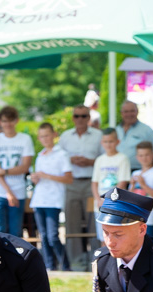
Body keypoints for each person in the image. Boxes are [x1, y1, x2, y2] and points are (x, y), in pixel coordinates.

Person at [60, 105, 103, 269]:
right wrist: (71, 161)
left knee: (94, 223)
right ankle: (76, 263)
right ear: (73, 118)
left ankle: (96, 261)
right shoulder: (65, 137)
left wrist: (89, 162)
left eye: (84, 116)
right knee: (72, 223)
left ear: (88, 118)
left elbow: (104, 158)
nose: (80, 119)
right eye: (77, 116)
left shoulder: (98, 135)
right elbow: (60, 159)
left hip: (92, 183)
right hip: (71, 183)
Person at [29, 123, 73, 271]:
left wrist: (47, 175)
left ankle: (65, 266)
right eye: (41, 136)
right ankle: (49, 267)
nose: (45, 139)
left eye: (47, 135)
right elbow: (39, 179)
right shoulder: (40, 155)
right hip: (39, 199)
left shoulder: (62, 154)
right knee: (44, 236)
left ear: (54, 135)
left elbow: (68, 178)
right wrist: (36, 178)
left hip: (54, 200)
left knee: (53, 235)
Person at [0, 106, 34, 237]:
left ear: (16, 121)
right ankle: (0, 258)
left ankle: (15, 258)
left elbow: (25, 167)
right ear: (0, 122)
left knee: (16, 231)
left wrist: (4, 171)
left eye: (10, 120)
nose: (7, 124)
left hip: (18, 190)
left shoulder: (25, 139)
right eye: (4, 121)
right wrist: (8, 192)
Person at [92, 128, 131, 243]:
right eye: (105, 141)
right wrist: (98, 199)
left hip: (115, 204)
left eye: (111, 141)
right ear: (101, 143)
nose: (108, 144)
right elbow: (94, 182)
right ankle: (104, 261)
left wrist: (108, 200)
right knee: (103, 236)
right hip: (100, 205)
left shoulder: (122, 159)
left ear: (117, 142)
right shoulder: (99, 160)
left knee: (115, 236)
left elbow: (122, 183)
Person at [130, 141, 153, 237]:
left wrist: (143, 184)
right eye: (141, 155)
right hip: (134, 217)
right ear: (137, 157)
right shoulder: (135, 173)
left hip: (149, 218)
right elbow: (130, 198)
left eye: (147, 155)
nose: (144, 158)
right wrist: (132, 185)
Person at [116, 101, 153, 171]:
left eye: (132, 111)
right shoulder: (116, 130)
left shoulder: (146, 130)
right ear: (121, 113)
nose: (129, 114)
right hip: (118, 171)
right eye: (126, 111)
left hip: (139, 171)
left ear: (137, 112)